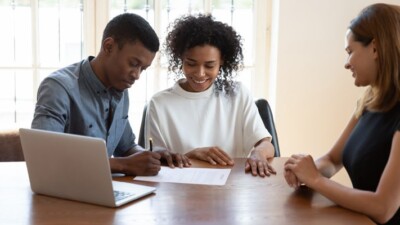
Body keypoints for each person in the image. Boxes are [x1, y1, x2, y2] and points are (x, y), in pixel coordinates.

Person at [32, 13, 190, 176]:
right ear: (108, 47)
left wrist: (153, 157)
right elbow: (44, 156)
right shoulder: (58, 87)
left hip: (103, 189)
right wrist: (123, 165)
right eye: (134, 64)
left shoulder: (120, 88)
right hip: (62, 192)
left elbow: (127, 148)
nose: (136, 75)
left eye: (142, 69)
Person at [284, 3, 400, 225]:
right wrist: (306, 171)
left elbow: (383, 207)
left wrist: (316, 179)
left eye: (350, 52)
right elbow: (332, 159)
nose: (347, 64)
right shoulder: (369, 100)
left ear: (375, 48)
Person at [144, 14, 276, 177]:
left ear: (222, 61)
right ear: (181, 59)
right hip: (181, 190)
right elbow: (159, 159)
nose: (200, 74)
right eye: (191, 63)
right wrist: (191, 155)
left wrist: (258, 154)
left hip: (232, 187)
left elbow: (266, 144)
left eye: (209, 65)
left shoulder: (237, 94)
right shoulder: (160, 103)